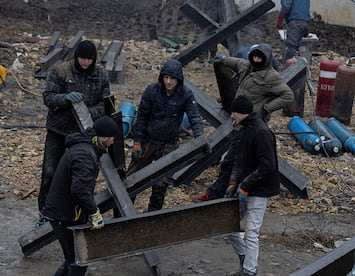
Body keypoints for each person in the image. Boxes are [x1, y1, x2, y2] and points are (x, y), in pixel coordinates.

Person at [194, 43, 292, 202]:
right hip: (241, 123)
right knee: (234, 161)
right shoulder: (247, 66)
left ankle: (218, 194)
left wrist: (266, 108)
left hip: (254, 126)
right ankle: (228, 192)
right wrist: (224, 59)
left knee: (234, 161)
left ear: (266, 59)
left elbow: (288, 96)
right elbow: (235, 62)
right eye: (254, 56)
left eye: (260, 57)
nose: (256, 59)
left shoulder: (271, 77)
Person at [38, 40, 110, 225]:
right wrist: (65, 99)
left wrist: (85, 110)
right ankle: (45, 215)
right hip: (58, 130)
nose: (85, 62)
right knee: (50, 172)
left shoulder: (101, 75)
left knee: (83, 174)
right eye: (82, 58)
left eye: (89, 59)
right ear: (76, 57)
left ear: (94, 59)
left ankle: (80, 213)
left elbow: (106, 104)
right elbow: (48, 97)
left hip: (84, 134)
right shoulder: (60, 71)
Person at [41, 115, 118, 276]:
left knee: (74, 259)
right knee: (78, 262)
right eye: (112, 138)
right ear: (104, 137)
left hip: (65, 212)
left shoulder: (86, 148)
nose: (113, 142)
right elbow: (79, 190)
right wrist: (94, 212)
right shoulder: (84, 154)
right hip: (63, 215)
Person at [126, 59, 204, 212]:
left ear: (178, 80)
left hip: (169, 143)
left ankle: (153, 217)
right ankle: (122, 214)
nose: (169, 82)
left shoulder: (186, 94)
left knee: (161, 184)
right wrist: (137, 144)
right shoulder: (151, 91)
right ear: (162, 77)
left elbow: (194, 117)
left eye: (172, 78)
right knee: (131, 178)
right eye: (166, 77)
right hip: (149, 139)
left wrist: (200, 138)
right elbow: (141, 118)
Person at [225, 96, 280, 276]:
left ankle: (249, 271)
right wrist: (233, 183)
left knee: (252, 232)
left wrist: (245, 185)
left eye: (234, 112)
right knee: (230, 229)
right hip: (244, 187)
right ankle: (244, 260)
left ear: (241, 113)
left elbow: (268, 166)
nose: (231, 115)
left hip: (260, 190)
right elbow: (237, 161)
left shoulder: (261, 132)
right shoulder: (243, 130)